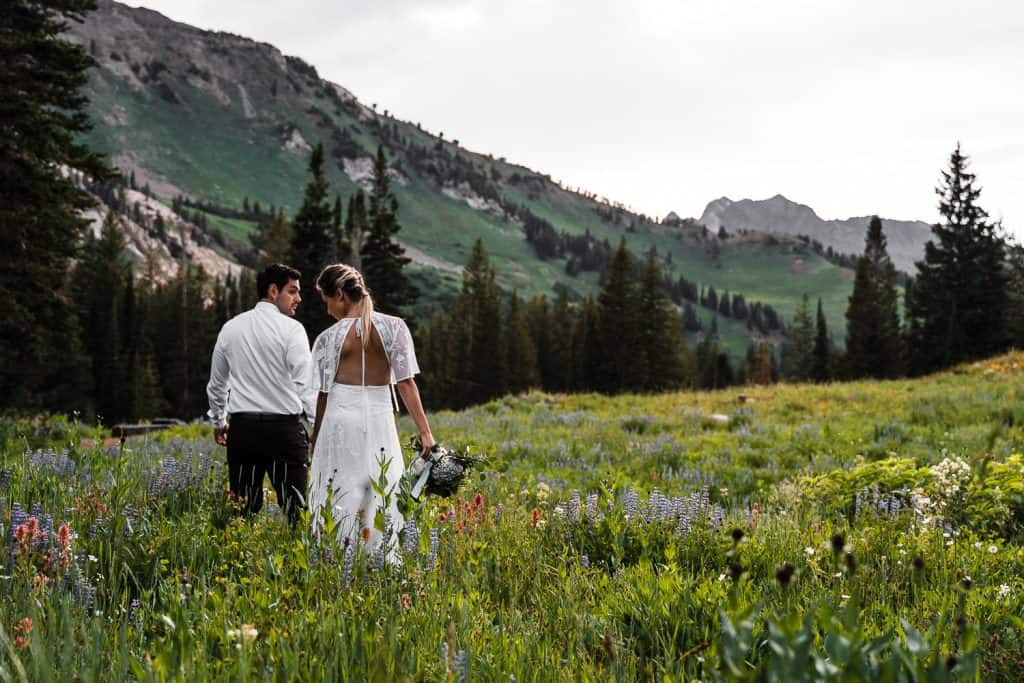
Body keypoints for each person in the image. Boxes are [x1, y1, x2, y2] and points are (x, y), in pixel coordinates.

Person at [308, 263, 435, 556]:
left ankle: (337, 554)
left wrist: (315, 437)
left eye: (326, 300)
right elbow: (406, 385)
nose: (327, 309)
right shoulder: (394, 327)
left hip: (339, 419)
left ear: (339, 294)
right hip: (379, 420)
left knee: (339, 484)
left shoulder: (328, 339)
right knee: (383, 484)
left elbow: (323, 395)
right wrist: (425, 433)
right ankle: (382, 554)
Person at [206, 263, 315, 525]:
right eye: (292, 291)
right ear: (273, 291)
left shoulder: (231, 328)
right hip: (285, 432)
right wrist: (319, 426)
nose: (298, 298)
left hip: (244, 432)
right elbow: (306, 385)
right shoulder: (292, 329)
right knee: (296, 512)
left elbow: (217, 384)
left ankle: (237, 564)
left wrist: (219, 421)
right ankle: (296, 565)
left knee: (242, 511)